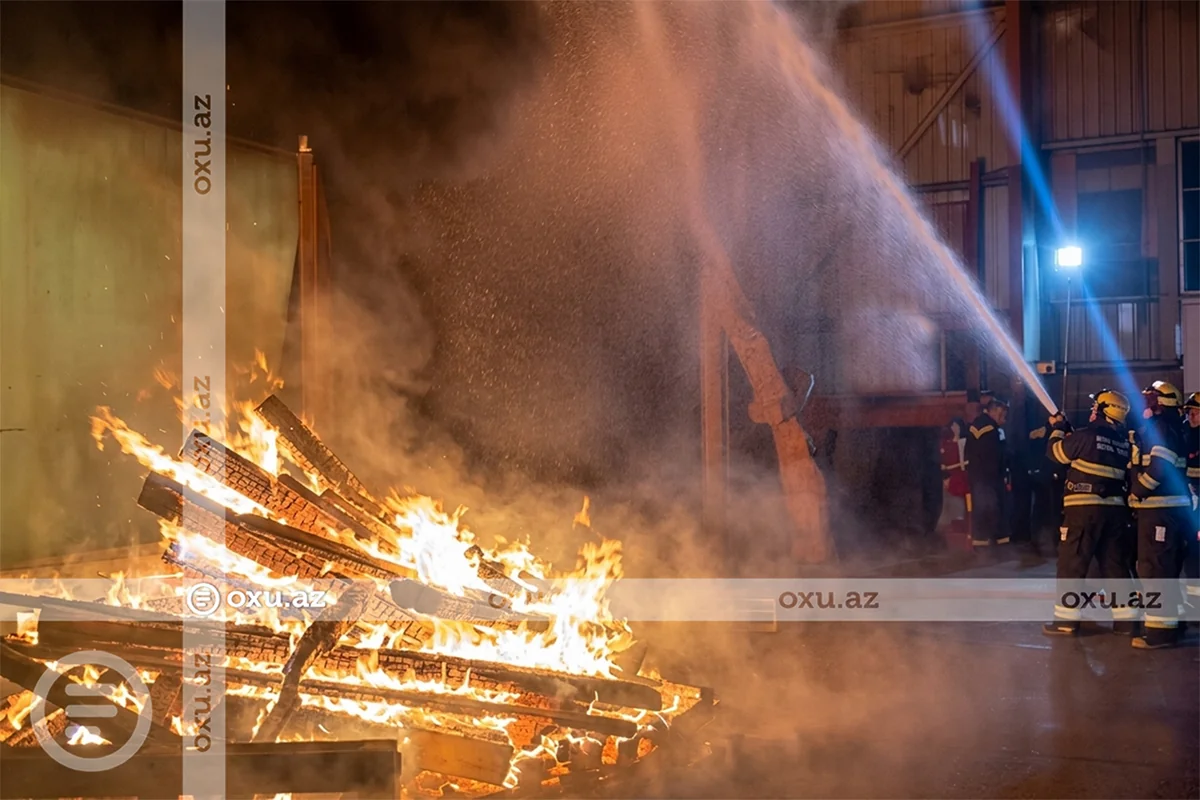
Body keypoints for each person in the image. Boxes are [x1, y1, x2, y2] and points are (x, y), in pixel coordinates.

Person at [1041, 390, 1135, 636]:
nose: (1092, 410)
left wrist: (1059, 428)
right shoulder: (1123, 442)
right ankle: (1126, 622)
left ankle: (1065, 621)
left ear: (1104, 410)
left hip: (1083, 512)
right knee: (1115, 566)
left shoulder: (1086, 436)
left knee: (1073, 562)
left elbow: (1056, 453)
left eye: (1096, 407)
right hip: (1115, 513)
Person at [1128, 380, 1191, 649]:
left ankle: (1159, 632)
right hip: (1167, 511)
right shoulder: (1166, 427)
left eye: (1150, 399)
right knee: (1165, 566)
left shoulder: (1162, 428)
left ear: (1162, 404)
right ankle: (1171, 625)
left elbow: (1159, 468)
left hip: (1159, 511)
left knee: (1156, 567)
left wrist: (1137, 493)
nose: (1145, 403)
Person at [964, 396, 1010, 553]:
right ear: (996, 411)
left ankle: (981, 545)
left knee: (981, 510)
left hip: (977, 478)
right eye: (1003, 414)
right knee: (994, 509)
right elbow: (998, 455)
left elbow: (968, 454)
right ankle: (997, 545)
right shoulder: (993, 431)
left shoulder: (974, 427)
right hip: (991, 478)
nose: (1005, 419)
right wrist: (1003, 473)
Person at [1183, 392, 1199, 611]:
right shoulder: (1184, 434)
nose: (1191, 416)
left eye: (1195, 412)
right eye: (1189, 412)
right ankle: (1195, 604)